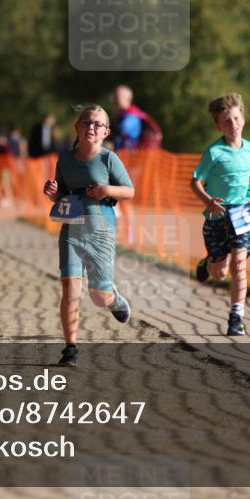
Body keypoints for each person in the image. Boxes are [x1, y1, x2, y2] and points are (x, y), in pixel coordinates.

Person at [43, 104, 135, 367]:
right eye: (86, 123)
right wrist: (52, 191)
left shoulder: (109, 159)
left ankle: (114, 299)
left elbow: (130, 191)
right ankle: (70, 348)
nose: (91, 128)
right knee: (70, 288)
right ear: (77, 127)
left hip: (101, 231)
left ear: (105, 131)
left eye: (97, 124)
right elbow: (61, 194)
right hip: (71, 229)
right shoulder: (66, 160)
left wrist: (107, 189)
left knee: (99, 296)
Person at [190, 93, 250, 336]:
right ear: (218, 125)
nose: (233, 125)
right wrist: (208, 201)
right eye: (226, 121)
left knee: (239, 264)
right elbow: (195, 182)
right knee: (220, 272)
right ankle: (209, 261)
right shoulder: (214, 152)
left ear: (243, 120)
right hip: (218, 214)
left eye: (236, 119)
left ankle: (236, 317)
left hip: (243, 211)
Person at [111, 84, 162, 151]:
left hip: (130, 156)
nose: (114, 99)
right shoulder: (123, 115)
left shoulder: (132, 116)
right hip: (124, 155)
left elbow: (121, 129)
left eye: (117, 97)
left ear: (127, 99)